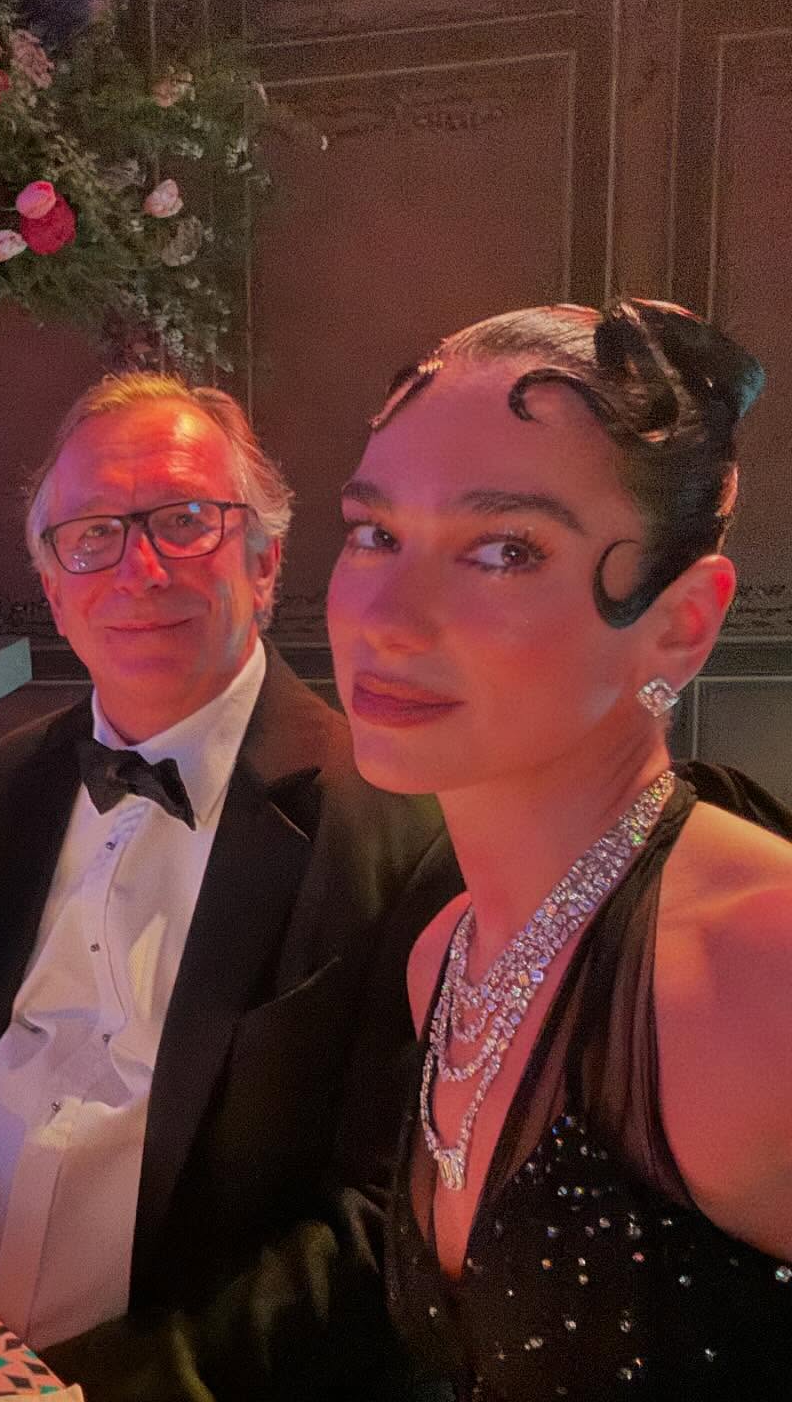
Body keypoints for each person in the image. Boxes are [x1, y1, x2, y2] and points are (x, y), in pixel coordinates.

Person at [0, 372, 462, 1399]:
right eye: (93, 535)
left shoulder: (400, 829)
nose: (139, 568)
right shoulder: (8, 777)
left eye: (185, 521)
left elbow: (381, 1224)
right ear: (53, 586)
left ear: (264, 561)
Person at [325, 299, 792, 1400]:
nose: (387, 618)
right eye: (375, 533)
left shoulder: (756, 973)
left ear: (681, 622)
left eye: (506, 550)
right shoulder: (443, 955)